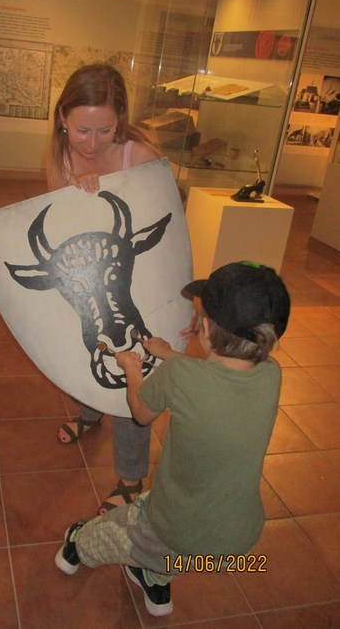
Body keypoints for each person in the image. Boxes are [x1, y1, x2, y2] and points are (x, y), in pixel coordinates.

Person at [55, 261, 290, 617]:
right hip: (237, 538)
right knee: (178, 551)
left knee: (120, 533)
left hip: (172, 525)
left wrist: (133, 370)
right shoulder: (272, 374)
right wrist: (167, 353)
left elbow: (140, 412)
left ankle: (77, 547)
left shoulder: (179, 375)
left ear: (205, 328)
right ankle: (152, 574)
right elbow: (211, 378)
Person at [45, 63, 163, 514]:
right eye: (82, 130)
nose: (92, 144)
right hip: (89, 280)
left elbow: (164, 229)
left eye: (104, 130)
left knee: (132, 368)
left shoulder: (140, 156)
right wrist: (73, 195)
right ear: (62, 118)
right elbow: (64, 229)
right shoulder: (61, 156)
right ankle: (89, 413)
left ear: (121, 121)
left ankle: (132, 477)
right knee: (87, 343)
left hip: (134, 285)